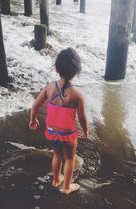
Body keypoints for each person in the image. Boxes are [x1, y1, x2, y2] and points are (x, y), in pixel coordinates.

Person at [29, 48, 88, 194]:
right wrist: (85, 130)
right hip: (68, 135)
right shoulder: (77, 95)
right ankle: (67, 187)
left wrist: (33, 119)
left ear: (56, 68)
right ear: (77, 71)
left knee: (57, 155)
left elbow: (35, 105)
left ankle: (56, 179)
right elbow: (81, 117)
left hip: (50, 132)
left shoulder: (49, 88)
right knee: (69, 158)